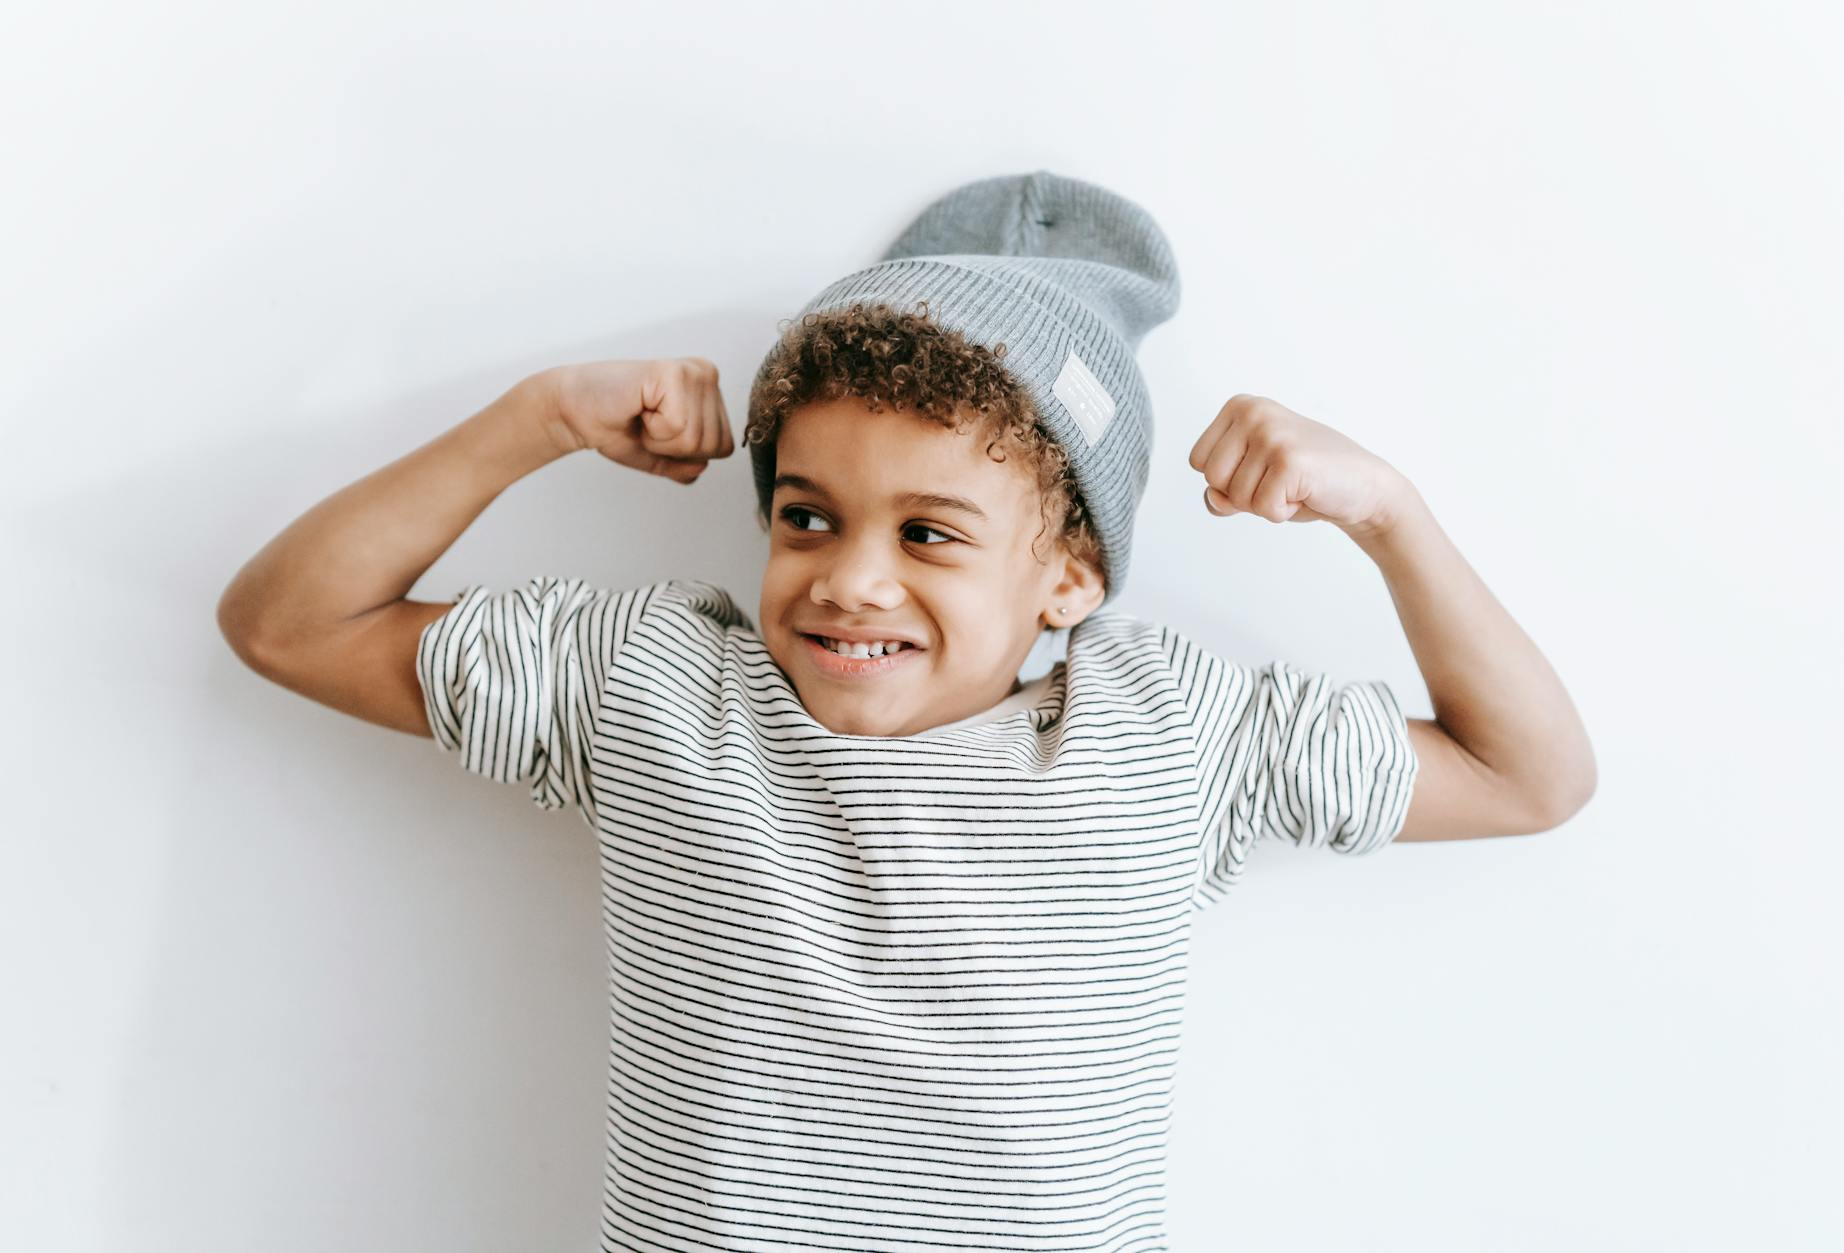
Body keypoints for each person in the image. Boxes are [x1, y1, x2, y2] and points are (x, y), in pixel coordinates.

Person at [217, 170, 1595, 1253]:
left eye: (929, 532)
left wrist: (1388, 514)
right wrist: (536, 419)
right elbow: (285, 623)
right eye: (806, 515)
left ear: (1071, 575)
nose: (849, 578)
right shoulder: (653, 686)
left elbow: (1530, 777)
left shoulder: (1172, 732)